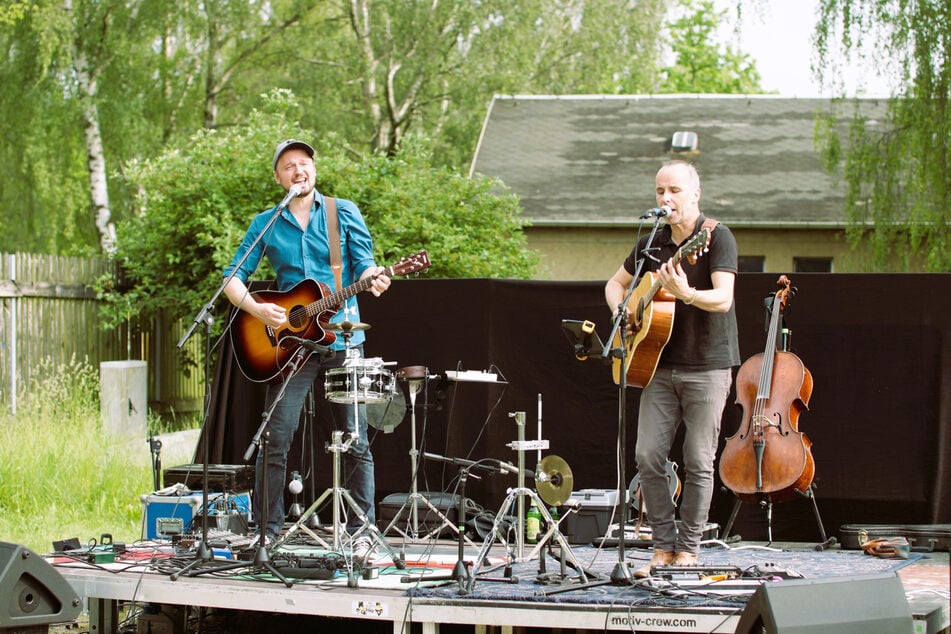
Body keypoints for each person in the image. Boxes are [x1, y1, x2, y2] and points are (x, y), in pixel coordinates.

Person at [223, 139, 391, 556]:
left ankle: (362, 531)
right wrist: (259, 310)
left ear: (314, 169)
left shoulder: (341, 212)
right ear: (278, 177)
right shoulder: (267, 222)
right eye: (288, 166)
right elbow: (231, 280)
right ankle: (268, 532)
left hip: (342, 339)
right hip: (290, 346)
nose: (299, 170)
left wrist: (375, 275)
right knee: (275, 437)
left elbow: (365, 261)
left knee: (355, 438)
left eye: (305, 163)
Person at [604, 160, 739, 577]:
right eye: (660, 191)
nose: (666, 198)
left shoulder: (715, 237)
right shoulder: (653, 241)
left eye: (674, 191)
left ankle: (689, 548)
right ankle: (662, 545)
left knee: (698, 459)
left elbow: (724, 299)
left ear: (695, 194)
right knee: (647, 454)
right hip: (658, 364)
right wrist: (623, 312)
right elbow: (615, 284)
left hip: (708, 366)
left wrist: (687, 293)